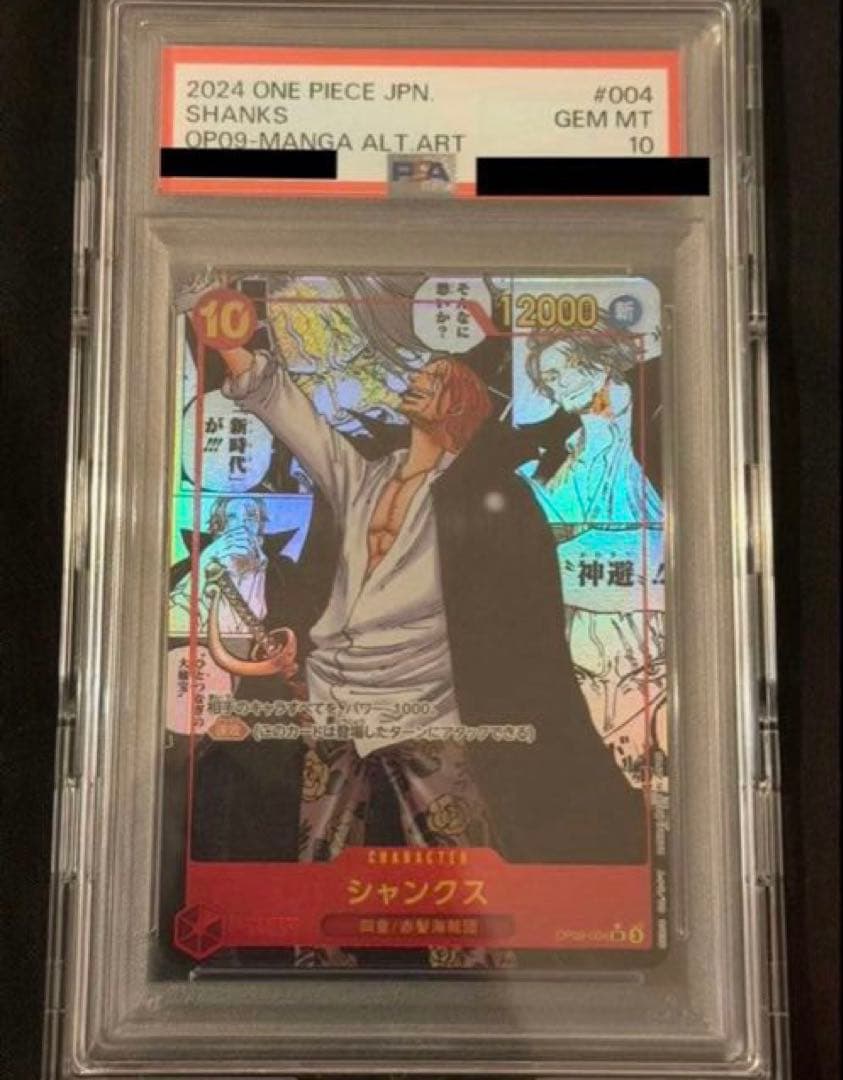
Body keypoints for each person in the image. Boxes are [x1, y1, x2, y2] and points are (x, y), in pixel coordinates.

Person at [215, 337, 646, 878]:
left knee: (463, 869)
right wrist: (228, 341)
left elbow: (513, 619)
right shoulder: (365, 478)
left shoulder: (480, 496)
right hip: (335, 702)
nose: (417, 379)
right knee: (316, 869)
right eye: (421, 373)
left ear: (457, 405)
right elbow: (292, 415)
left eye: (435, 378)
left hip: (425, 708)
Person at [520, 320, 667, 787]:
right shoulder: (562, 452)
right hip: (584, 628)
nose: (556, 386)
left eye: (563, 370)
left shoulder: (659, 417)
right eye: (549, 379)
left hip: (651, 621)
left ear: (599, 361)